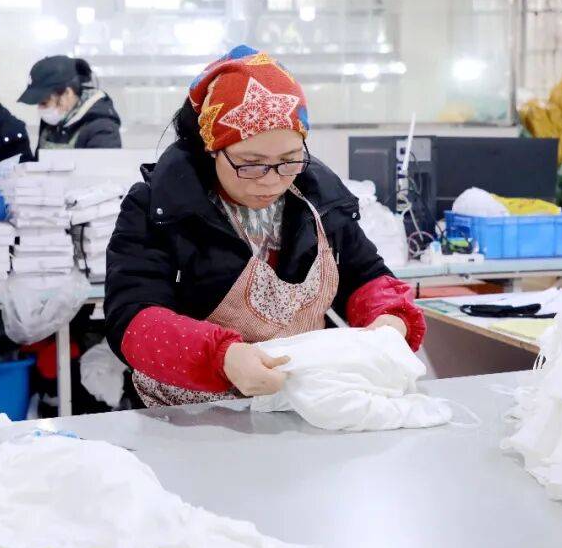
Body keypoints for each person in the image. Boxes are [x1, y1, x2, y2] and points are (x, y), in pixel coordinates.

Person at [104, 45, 426, 408]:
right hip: (186, 414)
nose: (272, 181)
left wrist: (389, 320)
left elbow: (367, 276)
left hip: (297, 407)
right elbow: (131, 317)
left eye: (289, 161)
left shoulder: (321, 202)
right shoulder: (160, 208)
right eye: (251, 163)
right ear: (212, 149)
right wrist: (221, 358)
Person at [18, 55, 122, 151]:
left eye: (44, 103)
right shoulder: (52, 122)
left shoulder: (102, 129)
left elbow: (101, 165)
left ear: (68, 93)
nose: (41, 109)